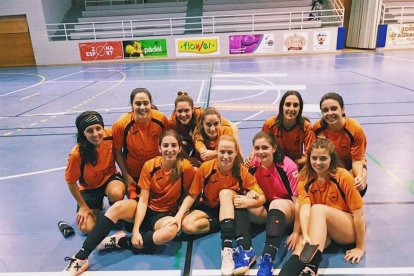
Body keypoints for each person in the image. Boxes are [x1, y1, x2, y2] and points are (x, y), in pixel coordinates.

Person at [63, 130, 197, 275]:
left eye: (173, 145)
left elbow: (191, 195)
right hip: (143, 208)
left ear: (179, 148)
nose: (169, 150)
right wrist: (136, 230)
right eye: (165, 145)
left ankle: (121, 242)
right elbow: (144, 200)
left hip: (164, 215)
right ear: (159, 148)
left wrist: (178, 217)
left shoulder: (186, 168)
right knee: (117, 207)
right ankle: (81, 258)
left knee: (169, 232)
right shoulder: (150, 166)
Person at [279, 138, 366, 276]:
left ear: (331, 158)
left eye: (323, 158)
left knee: (318, 209)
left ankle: (312, 266)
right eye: (314, 158)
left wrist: (360, 248)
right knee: (302, 244)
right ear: (309, 158)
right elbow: (305, 210)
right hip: (323, 228)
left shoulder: (343, 176)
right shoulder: (305, 180)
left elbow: (359, 215)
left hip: (347, 229)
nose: (318, 162)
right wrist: (305, 234)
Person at [181, 135, 266, 276]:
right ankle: (225, 224)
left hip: (233, 208)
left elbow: (262, 196)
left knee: (225, 193)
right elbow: (192, 195)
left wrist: (251, 201)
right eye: (222, 152)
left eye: (230, 152)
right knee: (187, 226)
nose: (226, 156)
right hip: (213, 208)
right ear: (217, 151)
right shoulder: (206, 168)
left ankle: (226, 247)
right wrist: (178, 218)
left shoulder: (240, 170)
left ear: (236, 152)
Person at [243, 131, 301, 276]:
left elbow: (299, 201)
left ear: (274, 148)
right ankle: (243, 250)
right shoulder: (253, 164)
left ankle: (267, 259)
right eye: (257, 148)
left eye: (265, 148)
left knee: (277, 203)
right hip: (267, 209)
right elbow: (247, 188)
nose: (260, 152)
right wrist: (248, 194)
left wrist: (296, 231)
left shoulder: (288, 166)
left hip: (287, 209)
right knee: (239, 201)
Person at [65, 111, 125, 234]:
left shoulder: (110, 136)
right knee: (87, 228)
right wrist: (83, 206)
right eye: (90, 131)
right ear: (83, 133)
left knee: (117, 193)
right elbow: (71, 182)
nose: (96, 134)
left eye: (98, 128)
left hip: (109, 179)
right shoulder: (76, 154)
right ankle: (97, 206)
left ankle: (113, 209)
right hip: (89, 188)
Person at [112, 88, 170, 199]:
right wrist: (126, 175)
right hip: (134, 174)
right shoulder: (121, 124)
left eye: (145, 103)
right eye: (138, 103)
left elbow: (170, 143)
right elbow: (117, 152)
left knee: (160, 202)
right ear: (132, 105)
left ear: (151, 104)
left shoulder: (161, 119)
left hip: (157, 171)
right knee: (135, 205)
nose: (142, 107)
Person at [313, 92, 368, 196]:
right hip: (328, 166)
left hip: (349, 165)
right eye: (325, 110)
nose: (329, 113)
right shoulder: (317, 128)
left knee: (357, 185)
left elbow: (357, 160)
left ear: (342, 109)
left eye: (334, 108)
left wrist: (359, 177)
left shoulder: (354, 128)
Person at [246, 91, 315, 168]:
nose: (291, 108)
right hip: (274, 163)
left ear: (300, 108)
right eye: (288, 104)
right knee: (251, 164)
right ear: (282, 106)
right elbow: (260, 143)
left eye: (295, 105)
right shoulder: (270, 124)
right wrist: (251, 157)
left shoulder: (306, 127)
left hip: (296, 165)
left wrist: (289, 165)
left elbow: (310, 156)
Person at [169, 91, 239, 163]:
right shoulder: (173, 121)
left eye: (186, 110)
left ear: (193, 109)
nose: (183, 115)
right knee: (179, 146)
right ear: (175, 112)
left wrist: (236, 148)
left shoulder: (203, 115)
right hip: (190, 141)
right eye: (180, 111)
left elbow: (232, 126)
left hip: (204, 141)